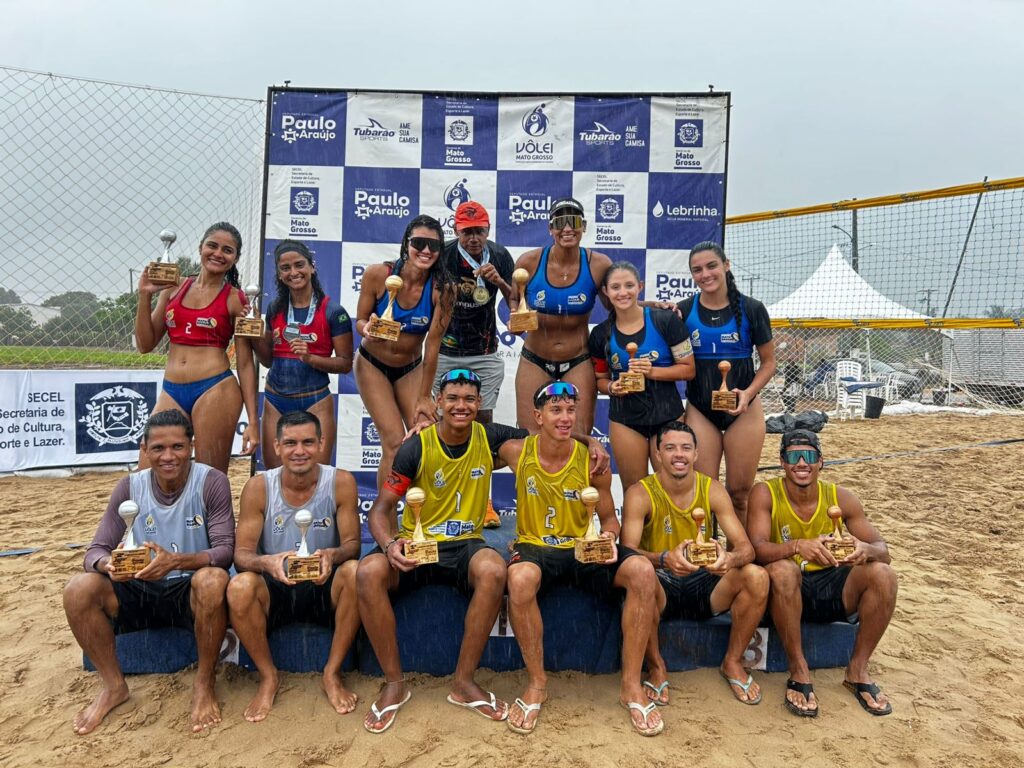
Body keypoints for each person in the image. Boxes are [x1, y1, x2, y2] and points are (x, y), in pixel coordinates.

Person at [356, 369, 521, 734]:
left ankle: (463, 682)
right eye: (453, 398)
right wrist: (390, 545)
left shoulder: (490, 435)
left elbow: (546, 439)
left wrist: (588, 440)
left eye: (469, 399)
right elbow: (380, 510)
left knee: (494, 570)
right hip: (417, 546)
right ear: (439, 402)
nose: (461, 406)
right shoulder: (416, 446)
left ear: (479, 404)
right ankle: (394, 684)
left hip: (464, 546)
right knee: (367, 572)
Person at [501, 381, 663, 737]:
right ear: (538, 416)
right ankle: (537, 683)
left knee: (640, 570)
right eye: (556, 410)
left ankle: (631, 684)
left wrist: (608, 538)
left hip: (583, 549)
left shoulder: (593, 461)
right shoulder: (515, 451)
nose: (565, 417)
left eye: (571, 410)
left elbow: (609, 519)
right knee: (519, 579)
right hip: (536, 546)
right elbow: (464, 437)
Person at [62, 410, 234, 735]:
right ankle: (114, 686)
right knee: (78, 589)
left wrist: (176, 561)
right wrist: (108, 565)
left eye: (177, 447)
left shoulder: (212, 482)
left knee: (213, 580)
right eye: (158, 448)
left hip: (187, 590)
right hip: (139, 587)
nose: (168, 456)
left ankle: (204, 681)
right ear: (144, 449)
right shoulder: (129, 486)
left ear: (192, 446)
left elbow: (225, 551)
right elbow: (95, 551)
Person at [746, 430, 898, 717]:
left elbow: (884, 551)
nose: (802, 463)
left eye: (809, 456)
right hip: (785, 592)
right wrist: (797, 546)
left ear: (821, 462)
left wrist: (864, 549)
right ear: (782, 462)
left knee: (883, 575)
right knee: (783, 570)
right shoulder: (765, 493)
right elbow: (756, 550)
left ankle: (857, 670)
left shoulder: (841, 497)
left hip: (832, 585)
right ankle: (799, 668)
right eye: (794, 457)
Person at [619, 421, 768, 707]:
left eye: (686, 448)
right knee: (640, 575)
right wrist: (664, 558)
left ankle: (733, 662)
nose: (679, 454)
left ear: (696, 454)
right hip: (661, 582)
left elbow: (746, 549)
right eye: (670, 448)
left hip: (705, 581)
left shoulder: (711, 489)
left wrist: (728, 558)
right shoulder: (641, 492)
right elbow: (627, 552)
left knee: (757, 576)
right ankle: (656, 666)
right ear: (658, 454)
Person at [227, 411, 362, 721]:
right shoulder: (259, 487)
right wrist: (267, 562)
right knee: (240, 586)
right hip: (276, 588)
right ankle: (268, 676)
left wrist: (331, 555)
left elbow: (353, 545)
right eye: (290, 443)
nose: (299, 451)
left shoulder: (341, 482)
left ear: (322, 443)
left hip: (322, 586)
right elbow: (241, 555)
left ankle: (331, 672)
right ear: (276, 446)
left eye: (307, 442)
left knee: (356, 572)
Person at [134, 221, 259, 473]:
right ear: (200, 247)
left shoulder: (235, 298)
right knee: (148, 472)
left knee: (209, 475)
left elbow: (245, 364)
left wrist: (253, 421)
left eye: (227, 250)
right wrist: (144, 295)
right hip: (172, 390)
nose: (218, 253)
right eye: (212, 246)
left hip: (216, 388)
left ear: (235, 258)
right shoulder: (173, 287)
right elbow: (145, 344)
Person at [677, 241, 776, 524]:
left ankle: (740, 551)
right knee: (703, 494)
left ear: (726, 265)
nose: (705, 274)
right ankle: (706, 551)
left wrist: (748, 393)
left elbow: (769, 363)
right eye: (697, 270)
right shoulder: (683, 311)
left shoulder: (752, 309)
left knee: (740, 494)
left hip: (744, 410)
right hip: (701, 410)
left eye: (711, 266)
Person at [354, 214, 455, 489]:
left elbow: (433, 344)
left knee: (426, 437)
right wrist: (367, 329)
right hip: (372, 364)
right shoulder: (378, 274)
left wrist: (425, 396)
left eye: (434, 245)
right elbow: (360, 320)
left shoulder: (443, 289)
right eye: (419, 243)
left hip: (410, 368)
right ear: (406, 244)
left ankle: (418, 511)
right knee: (393, 441)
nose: (426, 251)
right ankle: (385, 514)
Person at [434, 202, 514, 529]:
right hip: (444, 349)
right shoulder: (443, 255)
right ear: (456, 230)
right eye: (467, 232)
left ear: (488, 229)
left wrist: (501, 282)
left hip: (485, 350)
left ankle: (484, 503)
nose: (473, 238)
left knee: (481, 427)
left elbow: (516, 304)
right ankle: (441, 500)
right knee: (441, 426)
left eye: (479, 230)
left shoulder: (500, 255)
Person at [589, 261, 695, 496]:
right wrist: (613, 387)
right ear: (606, 291)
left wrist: (652, 372)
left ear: (640, 286)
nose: (623, 292)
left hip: (667, 415)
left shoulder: (666, 321)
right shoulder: (600, 334)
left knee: (672, 489)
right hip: (625, 419)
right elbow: (600, 380)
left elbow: (688, 370)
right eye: (615, 287)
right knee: (634, 491)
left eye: (629, 285)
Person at [512, 197, 612, 433]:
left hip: (578, 358)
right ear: (550, 229)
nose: (567, 228)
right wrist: (515, 313)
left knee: (578, 435)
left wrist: (650, 306)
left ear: (583, 226)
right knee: (530, 436)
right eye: (560, 222)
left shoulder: (599, 264)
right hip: (535, 358)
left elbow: (617, 305)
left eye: (574, 221)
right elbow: (515, 298)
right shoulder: (529, 261)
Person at [251, 239, 353, 468]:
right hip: (275, 399)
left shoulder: (333, 311)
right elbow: (267, 361)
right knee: (275, 475)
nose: (293, 272)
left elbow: (346, 363)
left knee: (316, 475)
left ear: (311, 267)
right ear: (279, 275)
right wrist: (255, 332)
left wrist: (310, 358)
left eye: (299, 265)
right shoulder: (275, 308)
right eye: (285, 268)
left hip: (315, 400)